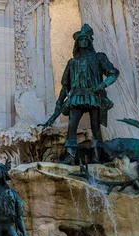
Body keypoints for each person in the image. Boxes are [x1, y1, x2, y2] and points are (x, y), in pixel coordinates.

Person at [46, 24, 119, 165]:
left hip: (93, 95)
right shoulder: (72, 62)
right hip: (76, 97)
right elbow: (65, 85)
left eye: (86, 39)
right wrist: (59, 102)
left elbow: (113, 73)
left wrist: (102, 85)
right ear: (77, 43)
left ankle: (98, 154)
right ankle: (70, 154)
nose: (83, 42)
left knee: (95, 126)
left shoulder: (98, 57)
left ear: (90, 41)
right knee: (72, 125)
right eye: (81, 39)